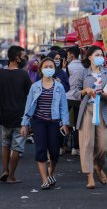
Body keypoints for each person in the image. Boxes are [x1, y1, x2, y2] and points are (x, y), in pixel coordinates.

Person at [73, 46, 107, 189]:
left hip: (103, 110)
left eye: (102, 55)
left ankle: (98, 167)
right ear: (90, 57)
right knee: (87, 144)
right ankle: (90, 176)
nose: (101, 57)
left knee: (103, 146)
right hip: (87, 110)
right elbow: (74, 93)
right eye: (97, 54)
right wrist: (85, 91)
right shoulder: (83, 73)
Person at [20, 57, 69, 190]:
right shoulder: (35, 87)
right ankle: (44, 179)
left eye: (51, 66)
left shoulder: (59, 86)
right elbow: (28, 105)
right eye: (46, 66)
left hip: (54, 122)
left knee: (54, 152)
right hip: (39, 122)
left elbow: (63, 107)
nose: (49, 69)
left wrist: (65, 123)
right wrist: (25, 124)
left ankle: (51, 173)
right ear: (41, 69)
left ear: (54, 69)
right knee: (41, 150)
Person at [0, 45, 32, 183]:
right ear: (18, 58)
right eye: (23, 56)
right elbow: (30, 95)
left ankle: (4, 170)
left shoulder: (1, 73)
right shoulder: (23, 74)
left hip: (4, 116)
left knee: (5, 143)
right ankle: (11, 176)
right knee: (17, 147)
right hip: (20, 116)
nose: (25, 59)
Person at [66, 46, 84, 156]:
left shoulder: (68, 67)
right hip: (79, 97)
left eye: (68, 55)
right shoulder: (83, 67)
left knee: (64, 122)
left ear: (72, 55)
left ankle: (62, 146)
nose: (67, 57)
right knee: (78, 124)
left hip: (67, 97)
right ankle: (75, 147)